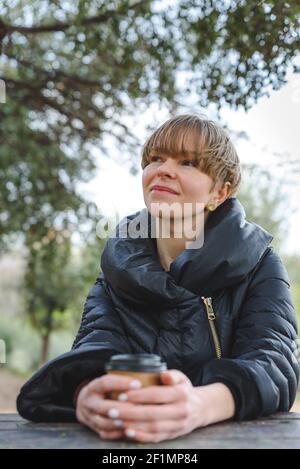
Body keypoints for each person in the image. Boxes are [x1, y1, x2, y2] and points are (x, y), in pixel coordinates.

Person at [17, 114, 299, 444]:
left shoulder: (260, 263)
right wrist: (84, 394)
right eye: (156, 159)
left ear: (219, 193)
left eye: (189, 162)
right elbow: (95, 348)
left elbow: (274, 365)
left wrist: (199, 406)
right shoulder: (116, 269)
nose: (163, 169)